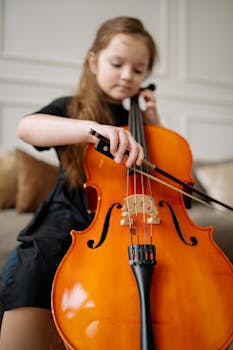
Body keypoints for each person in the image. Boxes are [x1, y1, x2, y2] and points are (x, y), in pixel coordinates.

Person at [0, 16, 160, 350]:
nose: (128, 76)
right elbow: (28, 127)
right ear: (93, 60)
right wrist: (90, 129)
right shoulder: (71, 109)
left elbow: (163, 180)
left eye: (138, 70)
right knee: (36, 261)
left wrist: (155, 128)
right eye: (117, 64)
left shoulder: (141, 121)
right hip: (70, 213)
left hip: (130, 221)